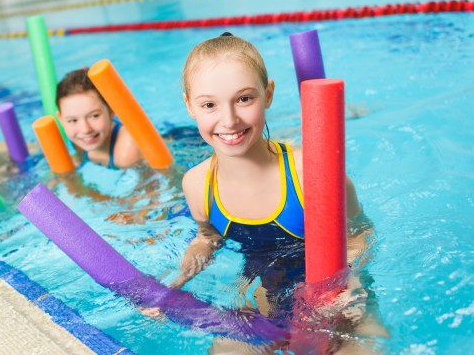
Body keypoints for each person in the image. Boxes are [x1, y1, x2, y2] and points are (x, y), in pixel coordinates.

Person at [171, 33, 387, 353]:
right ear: (189, 105)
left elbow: (359, 234)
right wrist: (177, 283)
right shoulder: (197, 184)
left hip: (339, 301)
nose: (229, 120)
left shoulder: (311, 173)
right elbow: (207, 237)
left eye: (244, 99)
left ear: (268, 94)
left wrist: (346, 284)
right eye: (209, 104)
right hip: (265, 302)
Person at [56, 68, 143, 170]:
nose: (85, 130)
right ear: (61, 119)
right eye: (73, 120)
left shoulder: (126, 152)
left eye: (94, 116)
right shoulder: (76, 139)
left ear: (111, 110)